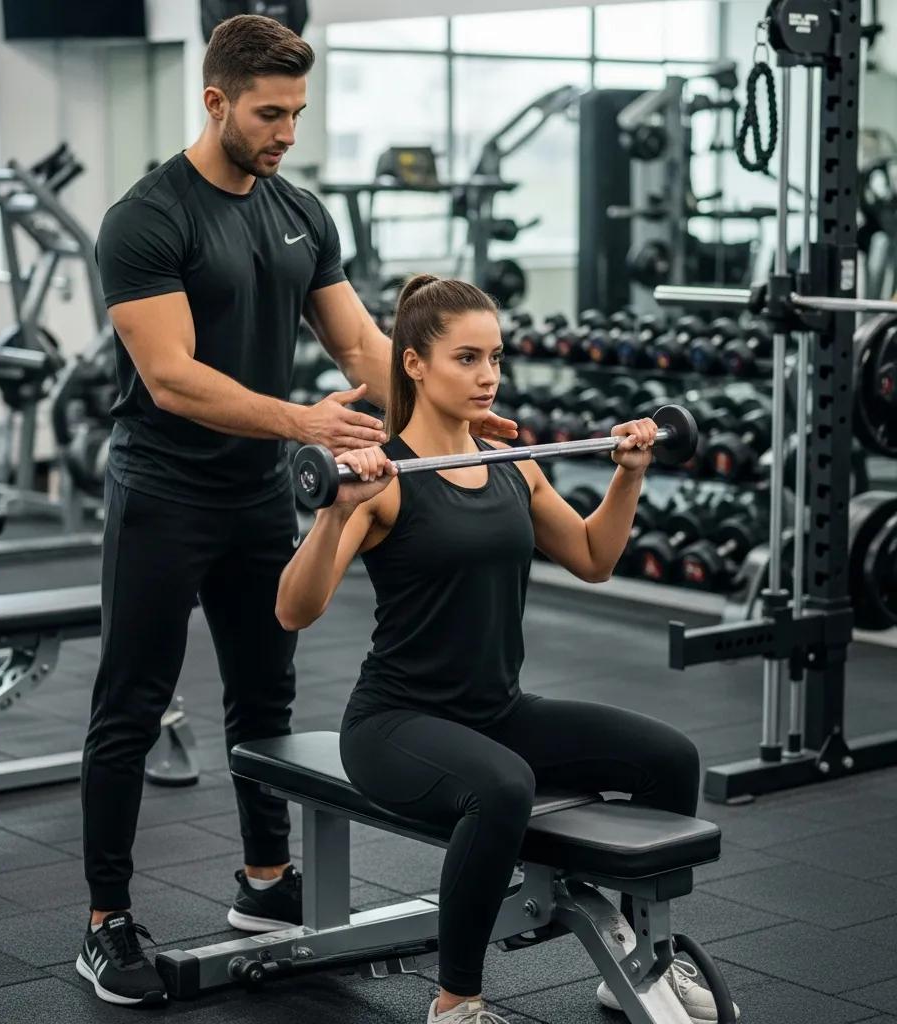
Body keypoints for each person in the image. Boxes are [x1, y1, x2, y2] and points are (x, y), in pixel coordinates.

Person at [76, 16, 516, 1008]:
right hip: (163, 491)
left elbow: (360, 342)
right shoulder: (148, 217)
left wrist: (440, 416)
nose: (285, 131)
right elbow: (173, 375)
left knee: (264, 693)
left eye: (297, 115)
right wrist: (303, 424)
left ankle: (265, 884)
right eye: (269, 114)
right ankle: (106, 918)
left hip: (254, 495)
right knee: (130, 705)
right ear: (216, 100)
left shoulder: (300, 212)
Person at [276, 275, 741, 1024]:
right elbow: (293, 609)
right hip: (396, 723)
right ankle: (456, 1001)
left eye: (495, 356)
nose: (489, 375)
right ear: (415, 365)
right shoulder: (386, 480)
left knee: (669, 758)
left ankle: (638, 961)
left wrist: (630, 476)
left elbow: (592, 558)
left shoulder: (514, 464)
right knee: (501, 788)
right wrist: (337, 515)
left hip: (495, 709)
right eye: (467, 358)